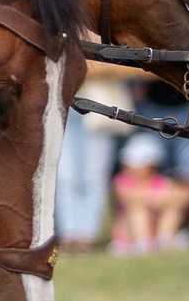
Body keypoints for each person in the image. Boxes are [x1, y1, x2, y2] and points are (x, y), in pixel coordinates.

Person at [56, 68, 133, 254]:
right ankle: (68, 234)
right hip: (62, 101)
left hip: (98, 105)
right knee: (64, 175)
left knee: (93, 174)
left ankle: (86, 235)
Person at [110, 134, 188, 254]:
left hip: (155, 229)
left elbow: (181, 196)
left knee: (173, 208)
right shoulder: (122, 180)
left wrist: (158, 200)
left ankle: (164, 240)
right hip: (128, 234)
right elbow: (128, 196)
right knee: (138, 208)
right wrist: (155, 198)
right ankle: (142, 243)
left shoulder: (159, 181)